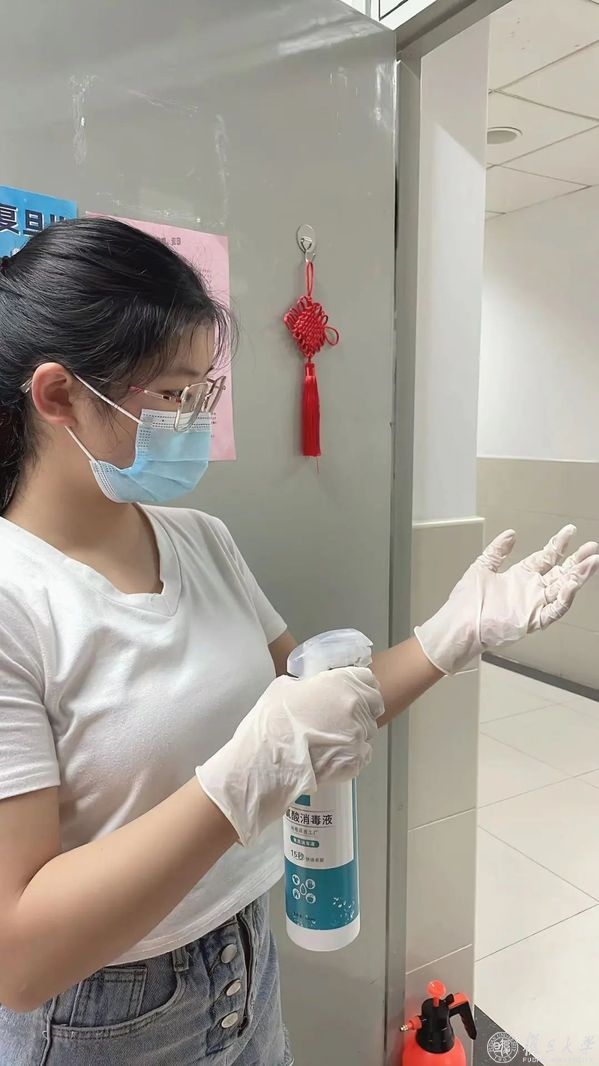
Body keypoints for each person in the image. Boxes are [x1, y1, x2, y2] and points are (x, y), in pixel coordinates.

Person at [0, 218, 596, 1066]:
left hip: (245, 958)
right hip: (101, 1014)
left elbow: (317, 707)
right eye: (172, 394)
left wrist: (448, 635)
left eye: (202, 393)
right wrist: (243, 778)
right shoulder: (15, 598)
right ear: (59, 397)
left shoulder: (200, 540)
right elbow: (20, 958)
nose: (193, 420)